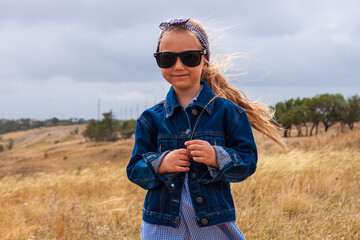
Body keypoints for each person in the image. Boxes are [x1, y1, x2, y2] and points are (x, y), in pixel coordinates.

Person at [127, 18, 285, 240]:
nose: (178, 66)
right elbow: (134, 170)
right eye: (167, 59)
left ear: (205, 61)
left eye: (189, 57)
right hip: (162, 226)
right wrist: (161, 164)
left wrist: (217, 157)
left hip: (212, 224)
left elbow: (248, 163)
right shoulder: (150, 119)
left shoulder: (229, 113)